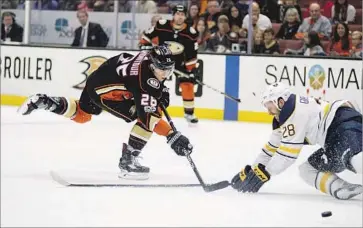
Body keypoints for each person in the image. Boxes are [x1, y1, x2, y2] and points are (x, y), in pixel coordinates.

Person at [17, 46, 193, 180]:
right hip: (107, 91)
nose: (166, 74)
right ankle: (128, 162)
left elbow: (147, 83)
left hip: (99, 76)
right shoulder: (145, 82)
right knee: (146, 117)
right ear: (153, 65)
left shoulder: (149, 56)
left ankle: (46, 101)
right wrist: (172, 135)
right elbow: (149, 118)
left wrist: (159, 92)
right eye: (163, 69)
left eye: (169, 69)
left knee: (82, 115)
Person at [230, 83, 362, 200]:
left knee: (355, 159)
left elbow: (288, 155)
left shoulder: (294, 112)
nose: (269, 112)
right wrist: (253, 171)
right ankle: (342, 189)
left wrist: (265, 173)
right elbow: (271, 148)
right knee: (307, 170)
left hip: (343, 123)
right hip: (331, 139)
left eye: (269, 107)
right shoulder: (283, 116)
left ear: (280, 102)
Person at [139, 5, 200, 124]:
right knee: (152, 84)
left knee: (187, 84)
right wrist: (144, 46)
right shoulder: (162, 25)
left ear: (185, 16)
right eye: (178, 14)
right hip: (161, 61)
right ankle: (146, 108)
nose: (180, 17)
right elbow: (146, 36)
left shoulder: (190, 33)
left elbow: (192, 54)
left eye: (182, 15)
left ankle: (189, 113)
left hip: (179, 64)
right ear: (173, 15)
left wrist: (191, 70)